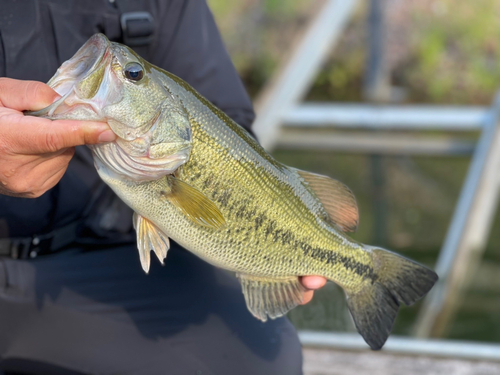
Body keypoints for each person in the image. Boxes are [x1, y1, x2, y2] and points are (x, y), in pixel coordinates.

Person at [0, 1, 325, 374]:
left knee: (262, 356)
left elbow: (224, 123)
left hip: (102, 262)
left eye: (132, 74)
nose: (120, 70)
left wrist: (273, 237)